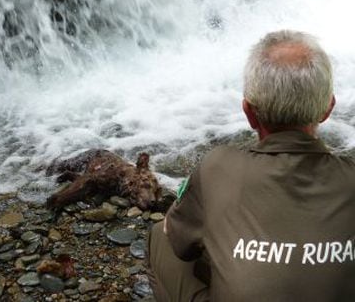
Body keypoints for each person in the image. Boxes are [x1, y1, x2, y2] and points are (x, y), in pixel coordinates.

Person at [147, 30, 355, 302]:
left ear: (248, 112)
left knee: (158, 238)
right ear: (328, 108)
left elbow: (179, 242)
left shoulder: (218, 168)